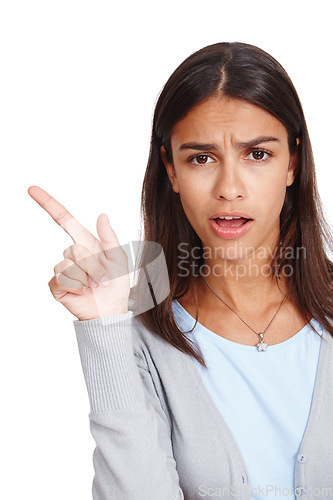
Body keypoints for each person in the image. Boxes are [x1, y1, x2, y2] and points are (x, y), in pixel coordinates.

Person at [28, 41, 333, 500]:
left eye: (257, 154)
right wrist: (107, 326)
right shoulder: (145, 342)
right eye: (201, 158)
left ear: (292, 162)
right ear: (170, 170)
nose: (229, 188)